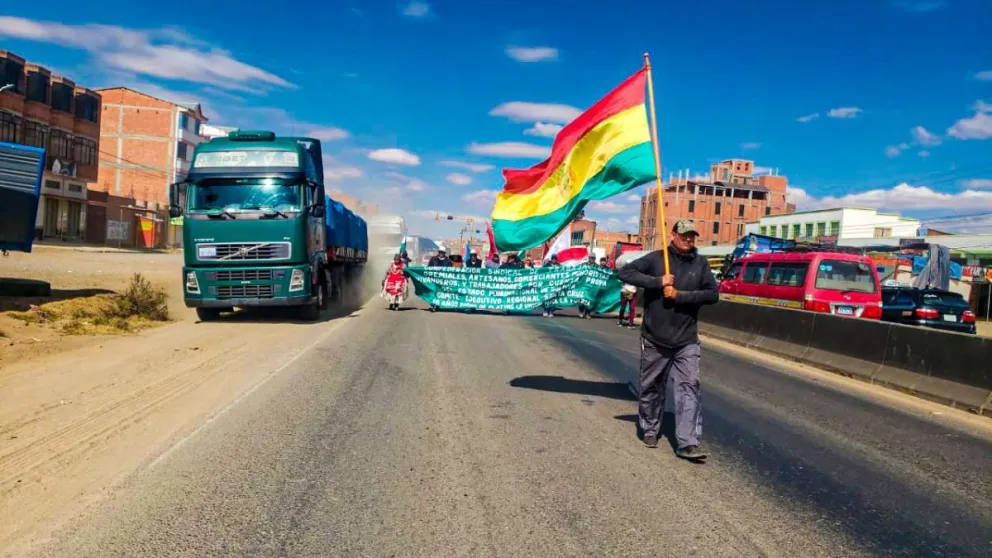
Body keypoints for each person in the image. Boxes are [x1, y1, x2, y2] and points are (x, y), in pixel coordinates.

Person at [617, 219, 718, 461]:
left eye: (692, 235)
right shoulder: (655, 259)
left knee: (689, 387)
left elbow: (712, 294)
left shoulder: (701, 263)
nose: (688, 239)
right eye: (684, 235)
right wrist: (657, 281)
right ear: (673, 235)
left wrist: (680, 296)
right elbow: (625, 272)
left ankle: (687, 442)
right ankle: (650, 428)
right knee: (652, 387)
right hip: (655, 337)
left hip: (686, 340)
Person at [577, 254, 598, 319]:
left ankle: (587, 313)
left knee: (590, 300)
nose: (592, 259)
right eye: (591, 258)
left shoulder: (597, 266)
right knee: (582, 299)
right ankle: (581, 312)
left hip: (592, 286)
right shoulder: (583, 265)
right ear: (589, 258)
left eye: (593, 258)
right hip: (583, 285)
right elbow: (577, 271)